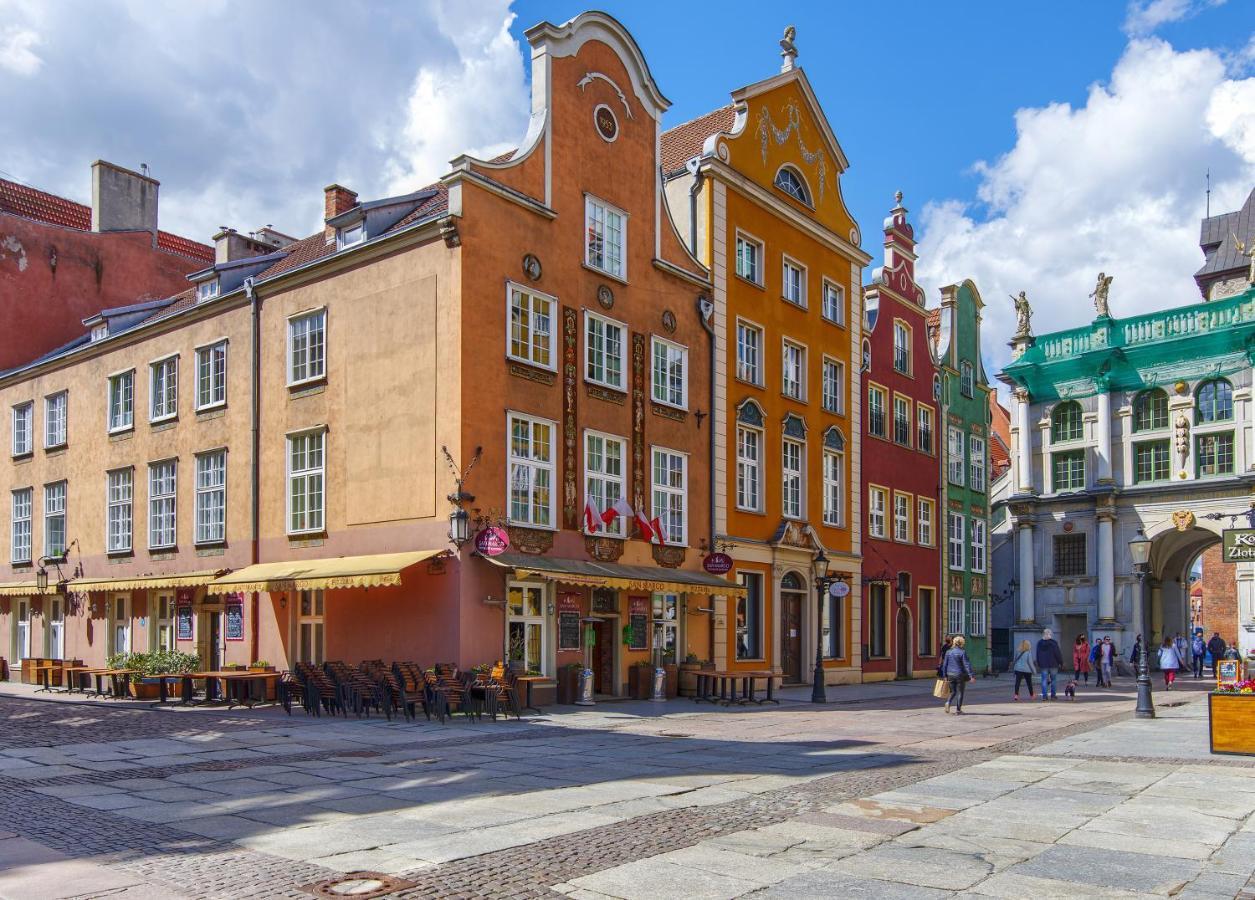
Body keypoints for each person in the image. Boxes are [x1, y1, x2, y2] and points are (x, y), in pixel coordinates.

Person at [941, 635, 975, 714]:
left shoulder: (948, 652)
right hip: (960, 675)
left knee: (953, 691)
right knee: (960, 692)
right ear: (962, 643)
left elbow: (945, 664)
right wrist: (971, 676)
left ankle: (948, 702)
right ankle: (958, 710)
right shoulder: (962, 652)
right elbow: (967, 664)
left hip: (950, 674)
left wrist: (944, 676)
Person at [1036, 628, 1063, 701]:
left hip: (1043, 665)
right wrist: (1061, 662)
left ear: (1043, 634)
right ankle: (1053, 695)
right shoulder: (1054, 643)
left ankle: (1044, 696)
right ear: (1050, 634)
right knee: (1053, 680)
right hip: (1053, 664)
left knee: (1044, 680)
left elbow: (1037, 654)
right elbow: (1057, 654)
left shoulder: (1039, 643)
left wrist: (1039, 663)